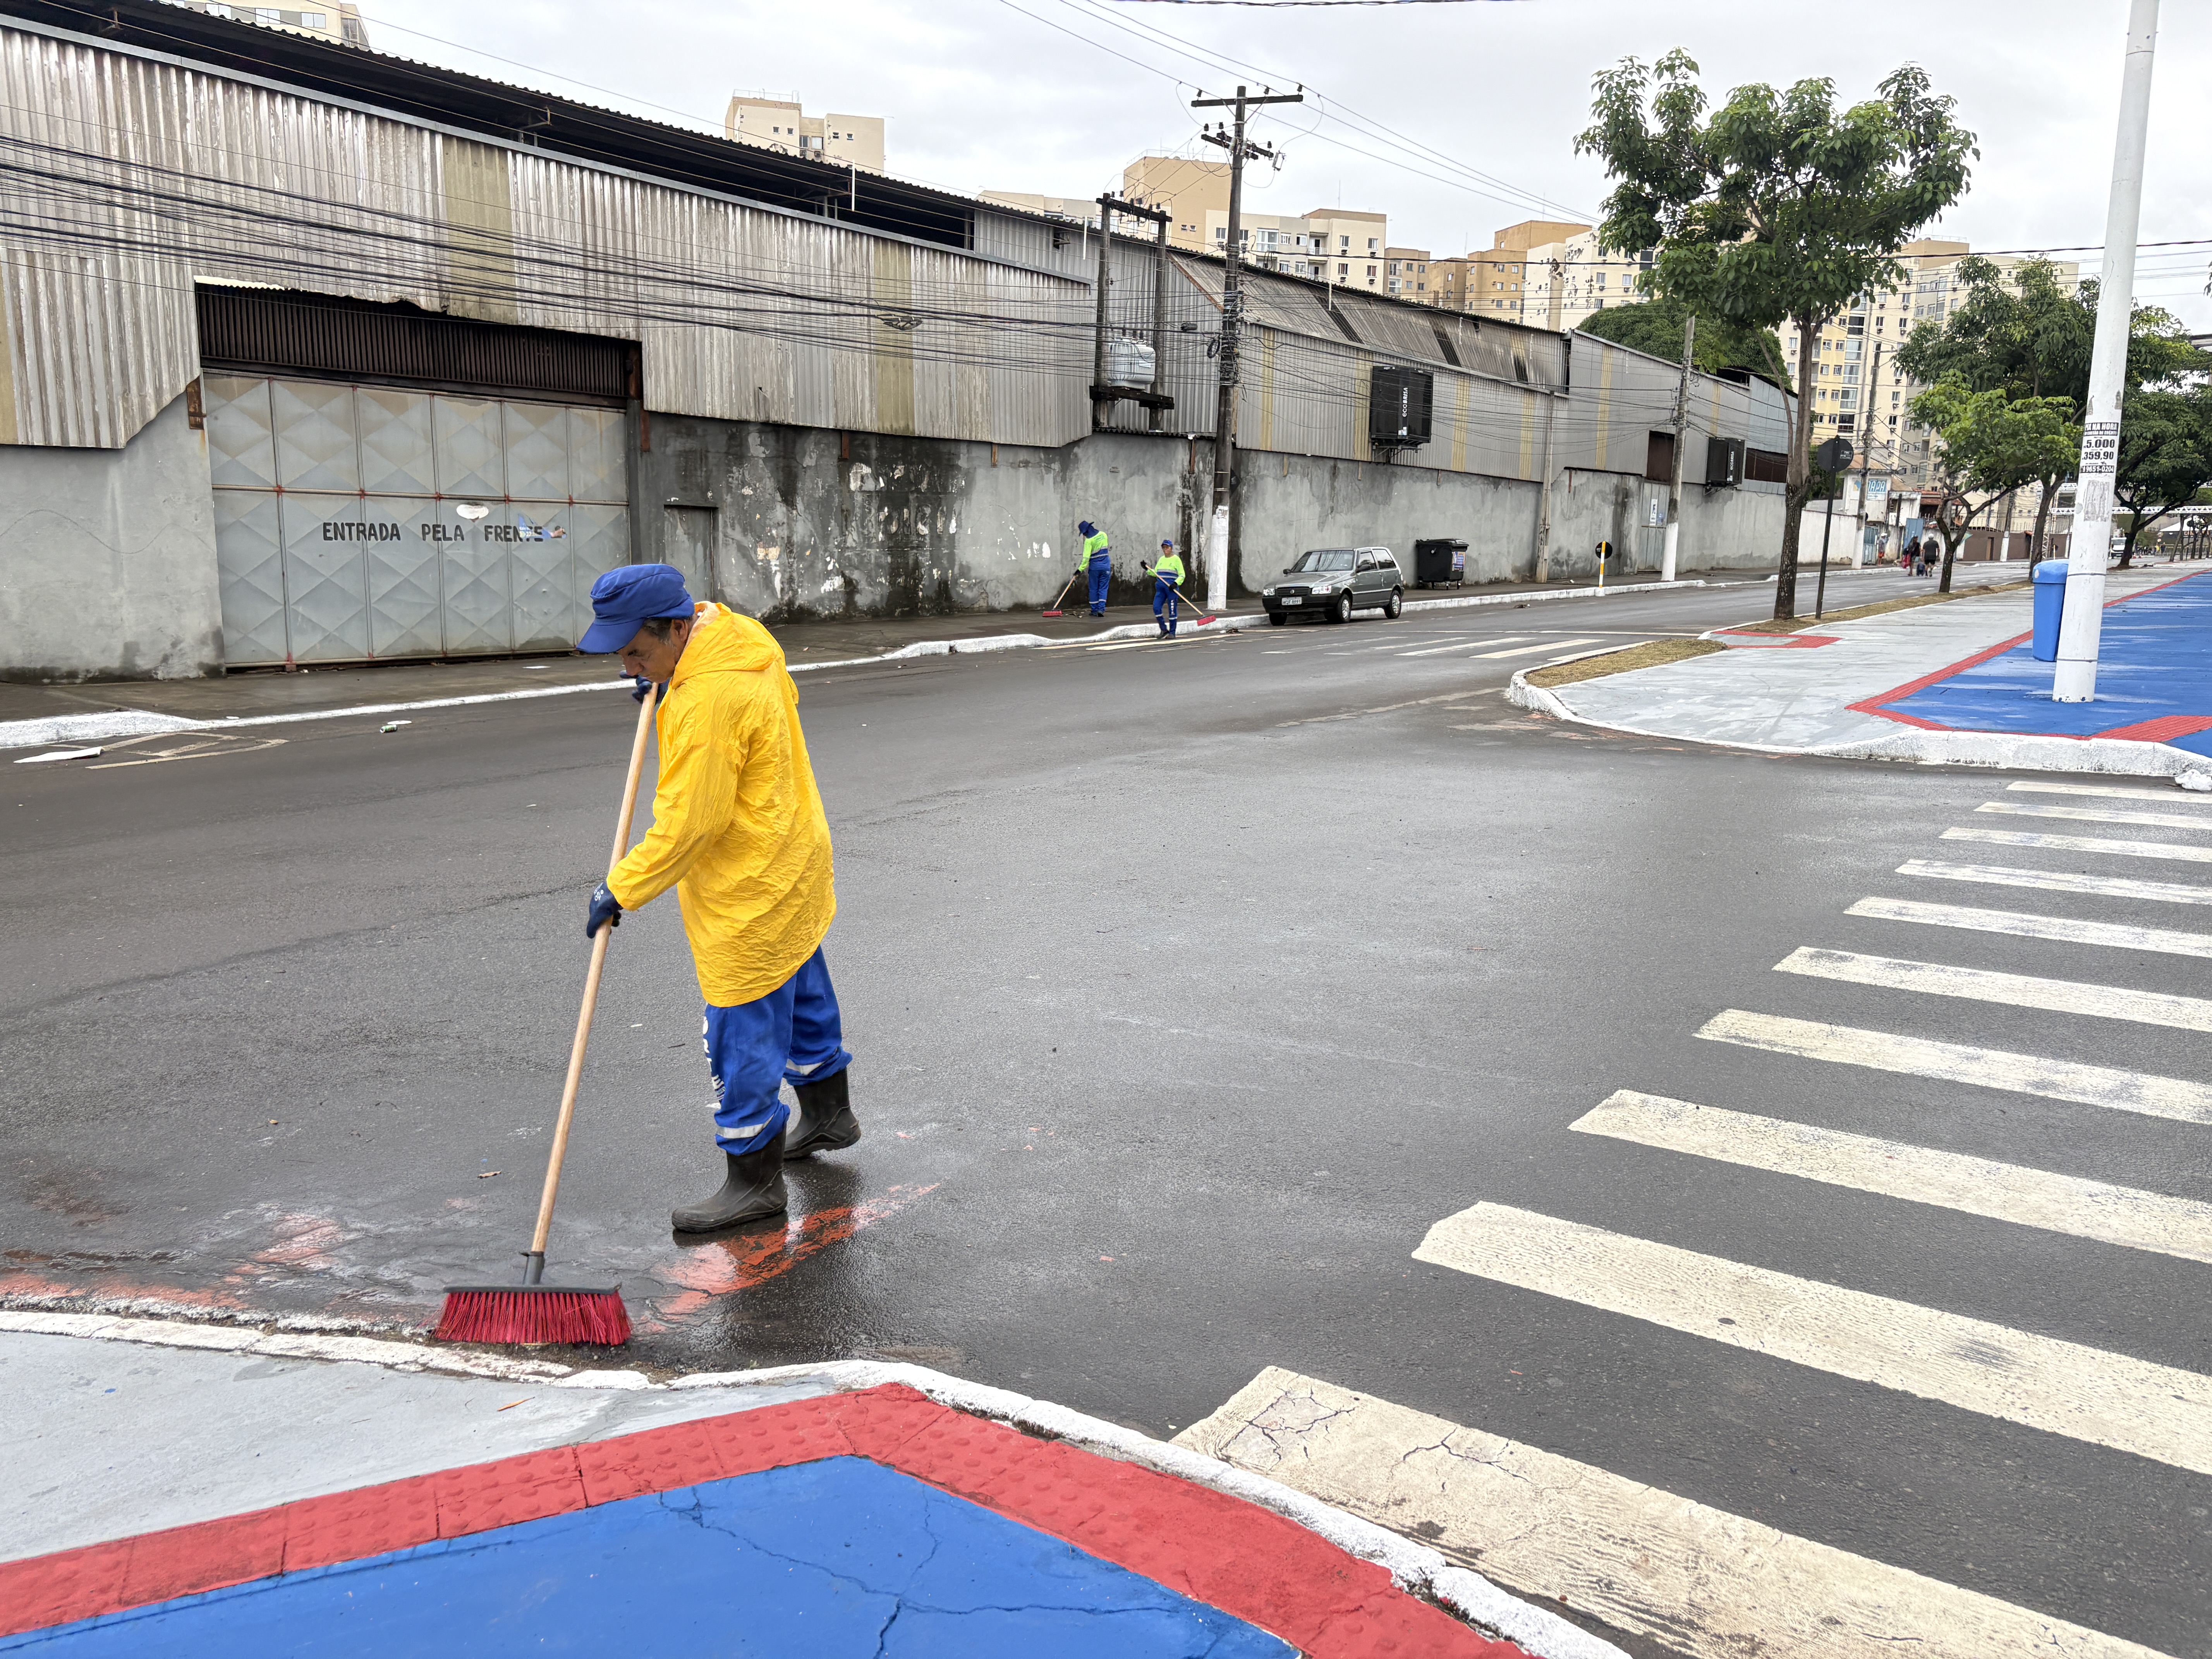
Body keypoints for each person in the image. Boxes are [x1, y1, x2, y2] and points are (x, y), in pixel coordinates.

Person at [577, 564, 859, 1235]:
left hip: (748, 880)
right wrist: (663, 678)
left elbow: (688, 825)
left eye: (637, 652)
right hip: (791, 849)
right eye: (621, 654)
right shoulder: (739, 637)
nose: (627, 666)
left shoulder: (705, 701)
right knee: (801, 982)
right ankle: (829, 1113)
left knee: (742, 1026)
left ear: (677, 628)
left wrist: (621, 886)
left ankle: (752, 1181)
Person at [1149, 538, 1185, 636]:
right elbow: (1156, 574)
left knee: (1172, 611)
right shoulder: (1161, 560)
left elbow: (1182, 575)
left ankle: (1172, 633)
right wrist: (1147, 569)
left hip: (1171, 590)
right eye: (1164, 548)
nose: (1166, 549)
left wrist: (1176, 583)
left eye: (1167, 547)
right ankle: (1164, 630)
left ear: (1171, 548)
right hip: (1160, 590)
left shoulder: (1176, 559)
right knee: (1156, 608)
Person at [1076, 520, 1112, 617]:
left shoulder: (1089, 541)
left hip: (1095, 569)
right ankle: (1101, 609)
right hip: (1106, 568)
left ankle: (1095, 610)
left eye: (1084, 533)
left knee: (1094, 589)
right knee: (1103, 589)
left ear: (1087, 531)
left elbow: (1086, 558)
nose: (1084, 535)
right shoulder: (1104, 535)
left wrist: (1080, 570)